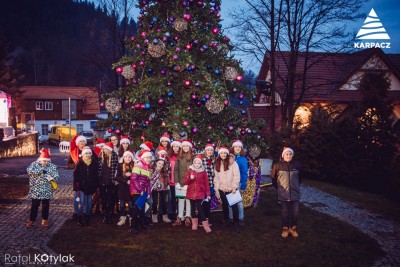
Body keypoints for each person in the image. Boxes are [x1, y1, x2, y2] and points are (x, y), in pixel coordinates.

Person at [271, 147, 301, 238]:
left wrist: (295, 187)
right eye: (286, 154)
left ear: (292, 155)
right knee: (285, 212)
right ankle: (285, 229)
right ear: (283, 155)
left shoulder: (297, 165)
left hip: (295, 193)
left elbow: (300, 178)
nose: (288, 156)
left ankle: (293, 228)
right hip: (283, 194)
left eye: (290, 154)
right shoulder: (277, 166)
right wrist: (279, 189)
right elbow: (273, 179)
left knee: (295, 212)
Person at [26, 148, 59, 228]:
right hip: (36, 189)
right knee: (34, 205)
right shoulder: (34, 164)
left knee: (45, 205)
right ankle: (32, 220)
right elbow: (29, 171)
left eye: (47, 161)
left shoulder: (52, 166)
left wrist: (52, 178)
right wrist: (40, 171)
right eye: (44, 161)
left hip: (46, 189)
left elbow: (56, 175)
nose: (46, 163)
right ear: (40, 160)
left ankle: (45, 220)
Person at [214, 147, 241, 233]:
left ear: (227, 154)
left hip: (231, 189)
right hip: (222, 188)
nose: (223, 155)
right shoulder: (217, 163)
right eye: (221, 153)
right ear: (219, 154)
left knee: (234, 207)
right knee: (225, 206)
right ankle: (226, 220)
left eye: (225, 153)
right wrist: (217, 189)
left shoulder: (233, 163)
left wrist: (234, 187)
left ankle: (236, 222)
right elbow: (216, 178)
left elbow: (236, 176)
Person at [184, 154, 212, 233]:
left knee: (200, 209)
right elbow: (185, 181)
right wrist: (190, 178)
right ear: (193, 163)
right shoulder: (189, 171)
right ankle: (194, 224)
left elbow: (206, 183)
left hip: (200, 193)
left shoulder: (203, 172)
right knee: (192, 208)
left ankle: (205, 225)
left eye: (199, 163)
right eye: (195, 163)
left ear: (201, 164)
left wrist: (208, 194)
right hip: (191, 193)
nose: (197, 165)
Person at [73, 146, 99, 227]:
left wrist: (95, 184)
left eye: (89, 153)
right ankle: (80, 217)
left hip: (90, 186)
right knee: (82, 202)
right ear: (83, 155)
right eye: (86, 153)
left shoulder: (94, 163)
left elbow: (96, 175)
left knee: (89, 202)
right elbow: (75, 175)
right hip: (82, 187)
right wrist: (77, 185)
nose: (87, 155)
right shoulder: (79, 163)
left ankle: (87, 216)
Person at [129, 150, 153, 234]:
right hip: (137, 191)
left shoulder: (148, 167)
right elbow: (134, 179)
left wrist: (148, 192)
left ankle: (141, 224)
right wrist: (140, 190)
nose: (149, 159)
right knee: (137, 209)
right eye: (147, 157)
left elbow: (147, 182)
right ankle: (133, 227)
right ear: (143, 158)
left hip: (143, 191)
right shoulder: (138, 166)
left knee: (142, 209)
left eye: (150, 157)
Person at [172, 140, 194, 227]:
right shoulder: (179, 157)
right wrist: (176, 182)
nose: (185, 148)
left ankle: (188, 216)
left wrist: (188, 183)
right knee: (181, 200)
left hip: (189, 183)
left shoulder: (192, 157)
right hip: (180, 183)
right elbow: (176, 170)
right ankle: (180, 217)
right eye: (184, 146)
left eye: (187, 146)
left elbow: (193, 171)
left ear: (189, 147)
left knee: (188, 200)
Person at [67, 134, 87, 221]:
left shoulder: (87, 151)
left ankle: (84, 213)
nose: (82, 143)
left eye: (83, 141)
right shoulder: (73, 153)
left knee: (84, 196)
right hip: (77, 177)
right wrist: (76, 166)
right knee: (77, 196)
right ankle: (76, 213)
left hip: (87, 177)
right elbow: (69, 164)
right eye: (80, 142)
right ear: (77, 143)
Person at [229, 140, 248, 227]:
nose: (237, 148)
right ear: (233, 148)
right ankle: (231, 217)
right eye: (236, 147)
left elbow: (244, 173)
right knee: (230, 200)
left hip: (238, 183)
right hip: (228, 182)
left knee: (239, 202)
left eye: (239, 147)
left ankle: (241, 218)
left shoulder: (243, 159)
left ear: (241, 149)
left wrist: (243, 185)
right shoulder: (229, 157)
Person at [98, 142, 119, 224]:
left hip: (111, 181)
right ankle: (105, 214)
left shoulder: (114, 156)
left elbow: (116, 169)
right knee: (103, 198)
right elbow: (98, 169)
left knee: (110, 198)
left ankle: (109, 215)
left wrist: (115, 179)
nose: (105, 150)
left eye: (106, 149)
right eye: (104, 149)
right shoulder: (101, 156)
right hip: (102, 181)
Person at [115, 150, 136, 226]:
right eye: (126, 157)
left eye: (129, 157)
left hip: (131, 189)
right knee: (122, 204)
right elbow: (117, 177)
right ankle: (122, 217)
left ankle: (131, 217)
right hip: (122, 188)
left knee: (131, 204)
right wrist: (125, 179)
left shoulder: (134, 165)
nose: (128, 158)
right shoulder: (120, 165)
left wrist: (131, 177)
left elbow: (137, 176)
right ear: (124, 157)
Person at [150, 157, 171, 224]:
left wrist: (165, 184)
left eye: (162, 164)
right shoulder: (152, 169)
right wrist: (156, 171)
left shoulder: (164, 170)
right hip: (154, 187)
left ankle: (164, 215)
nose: (160, 165)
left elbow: (167, 178)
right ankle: (154, 214)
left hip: (163, 187)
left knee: (164, 201)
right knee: (155, 201)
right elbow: (150, 178)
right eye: (159, 163)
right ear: (156, 162)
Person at [167, 140, 181, 221]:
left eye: (177, 146)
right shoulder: (169, 156)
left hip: (178, 181)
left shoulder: (181, 156)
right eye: (174, 146)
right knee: (171, 198)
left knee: (179, 198)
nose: (175, 148)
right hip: (170, 181)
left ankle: (179, 213)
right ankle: (171, 213)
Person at [202, 143, 216, 224]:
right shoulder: (202, 160)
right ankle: (203, 219)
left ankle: (207, 218)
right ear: (205, 151)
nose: (209, 151)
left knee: (208, 202)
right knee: (203, 202)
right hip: (203, 185)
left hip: (211, 185)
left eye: (211, 150)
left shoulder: (214, 160)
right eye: (208, 150)